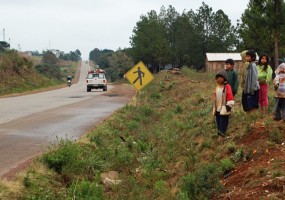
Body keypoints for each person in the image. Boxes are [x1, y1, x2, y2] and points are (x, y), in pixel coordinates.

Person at [213, 70, 234, 142]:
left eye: (221, 77)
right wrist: (214, 107)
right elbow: (215, 97)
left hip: (224, 108)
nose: (219, 79)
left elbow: (230, 97)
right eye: (218, 77)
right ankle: (220, 134)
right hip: (218, 108)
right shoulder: (217, 87)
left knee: (223, 122)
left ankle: (221, 137)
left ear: (224, 78)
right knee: (218, 122)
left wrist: (228, 106)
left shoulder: (227, 87)